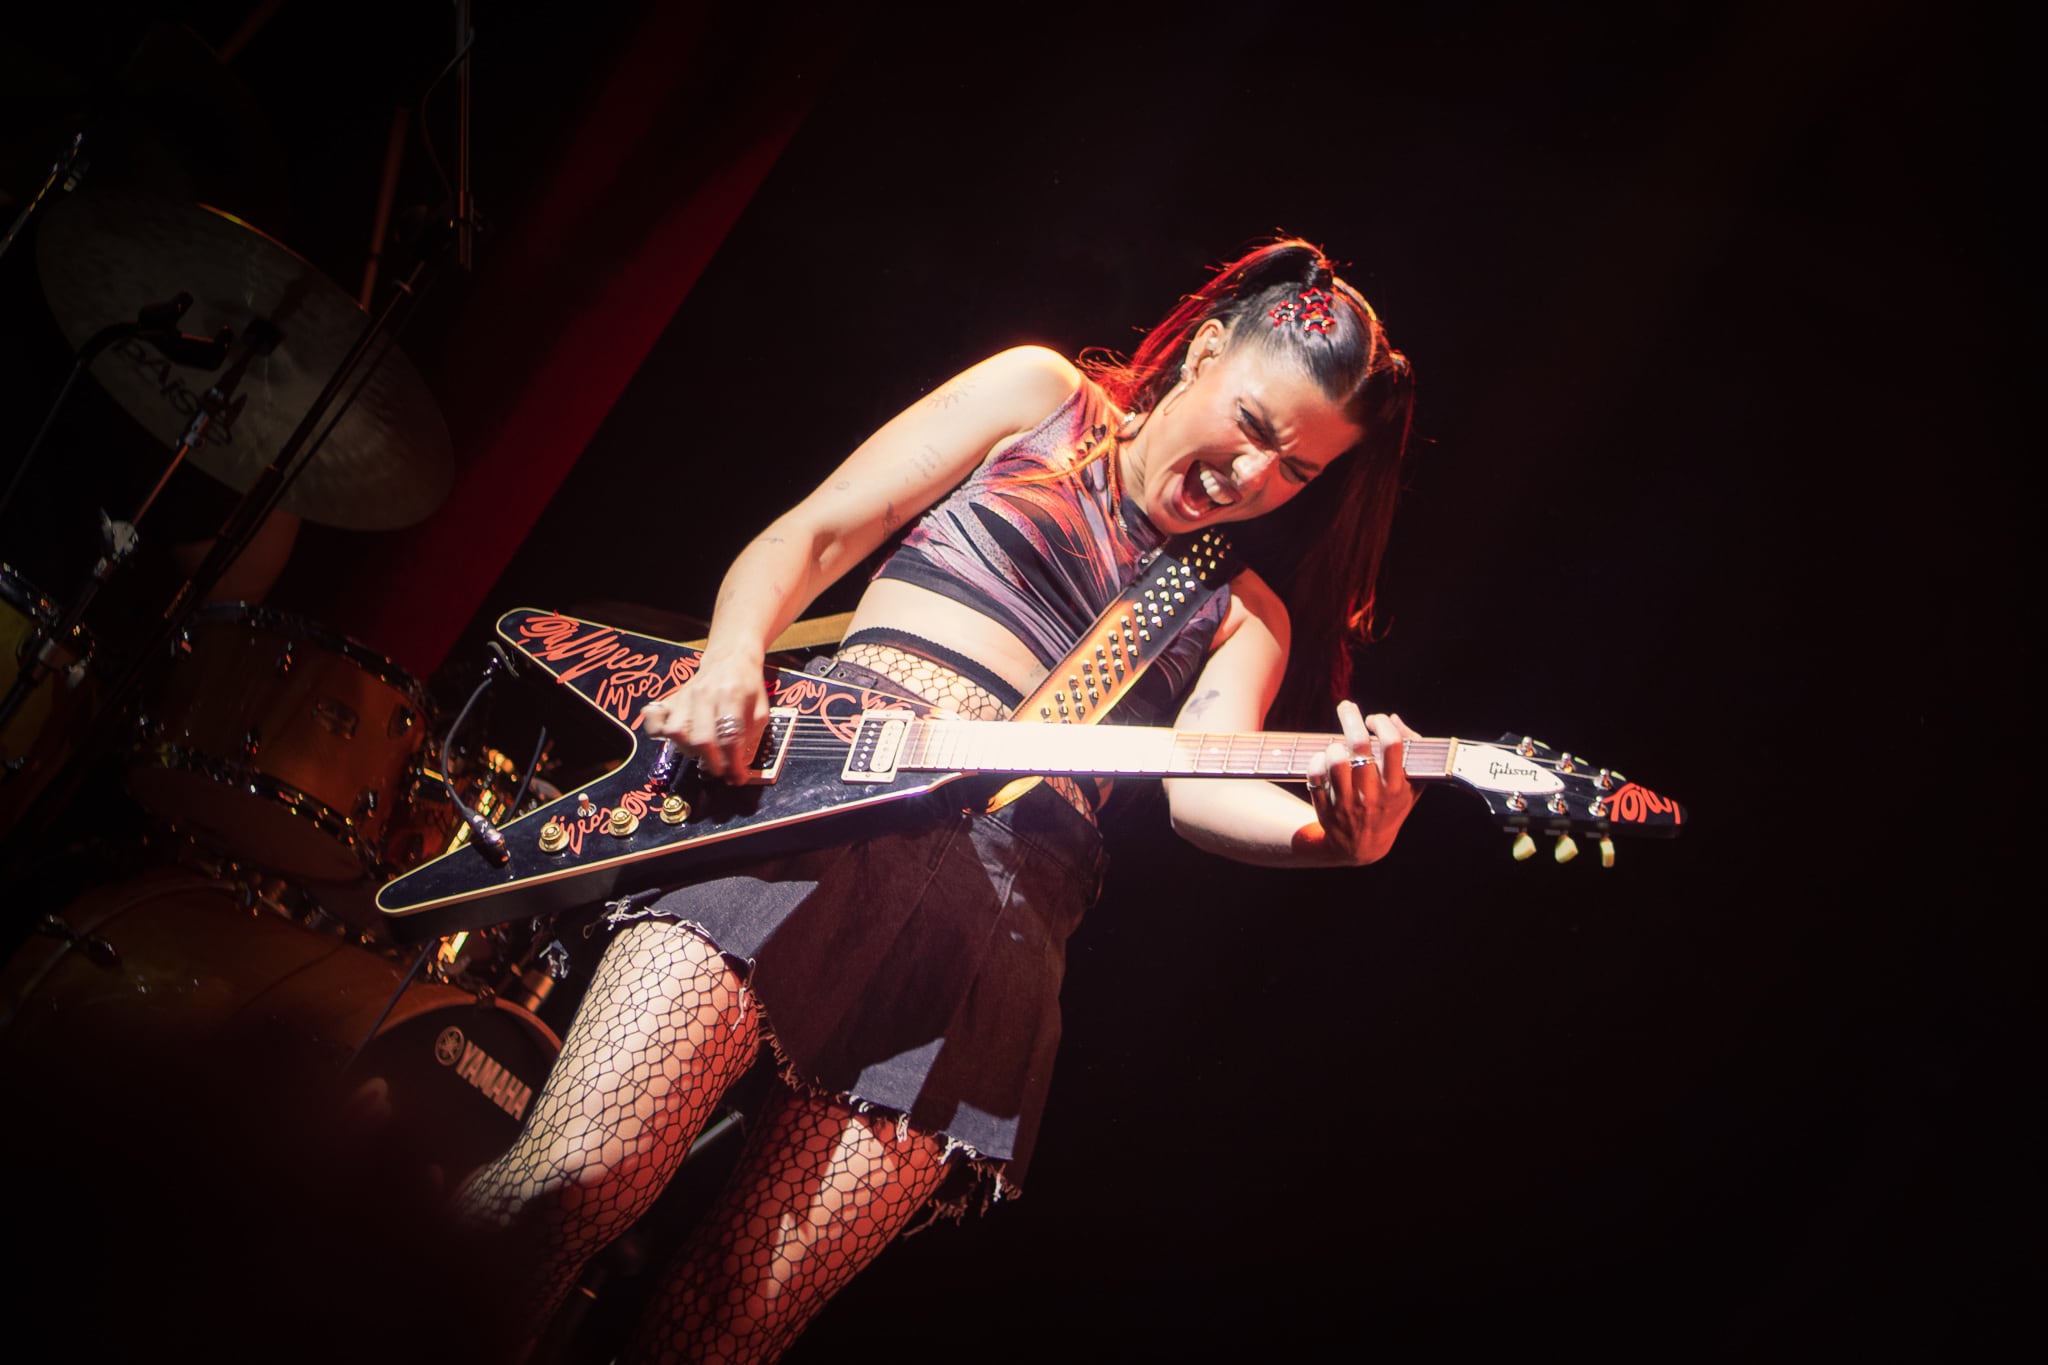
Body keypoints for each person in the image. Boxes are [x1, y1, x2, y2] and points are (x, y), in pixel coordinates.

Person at [453, 236, 1422, 1363]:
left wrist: (1330, 835)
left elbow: (1203, 789)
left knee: (727, 1328)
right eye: (1253, 427)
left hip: (998, 922)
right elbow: (819, 530)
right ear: (1203, 353)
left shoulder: (1239, 609)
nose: (1253, 479)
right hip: (813, 810)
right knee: (575, 1178)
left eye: (1296, 471)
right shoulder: (1039, 397)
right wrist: (731, 658)